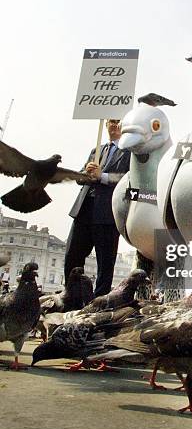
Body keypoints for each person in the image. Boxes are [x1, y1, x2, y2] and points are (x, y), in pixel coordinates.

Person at [64, 119, 130, 296]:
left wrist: (103, 176)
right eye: (111, 122)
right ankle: (72, 296)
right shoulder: (96, 150)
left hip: (108, 213)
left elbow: (128, 180)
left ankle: (99, 301)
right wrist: (86, 172)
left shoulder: (130, 152)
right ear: (106, 124)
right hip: (84, 209)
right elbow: (79, 178)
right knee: (72, 256)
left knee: (105, 262)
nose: (114, 125)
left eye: (118, 122)